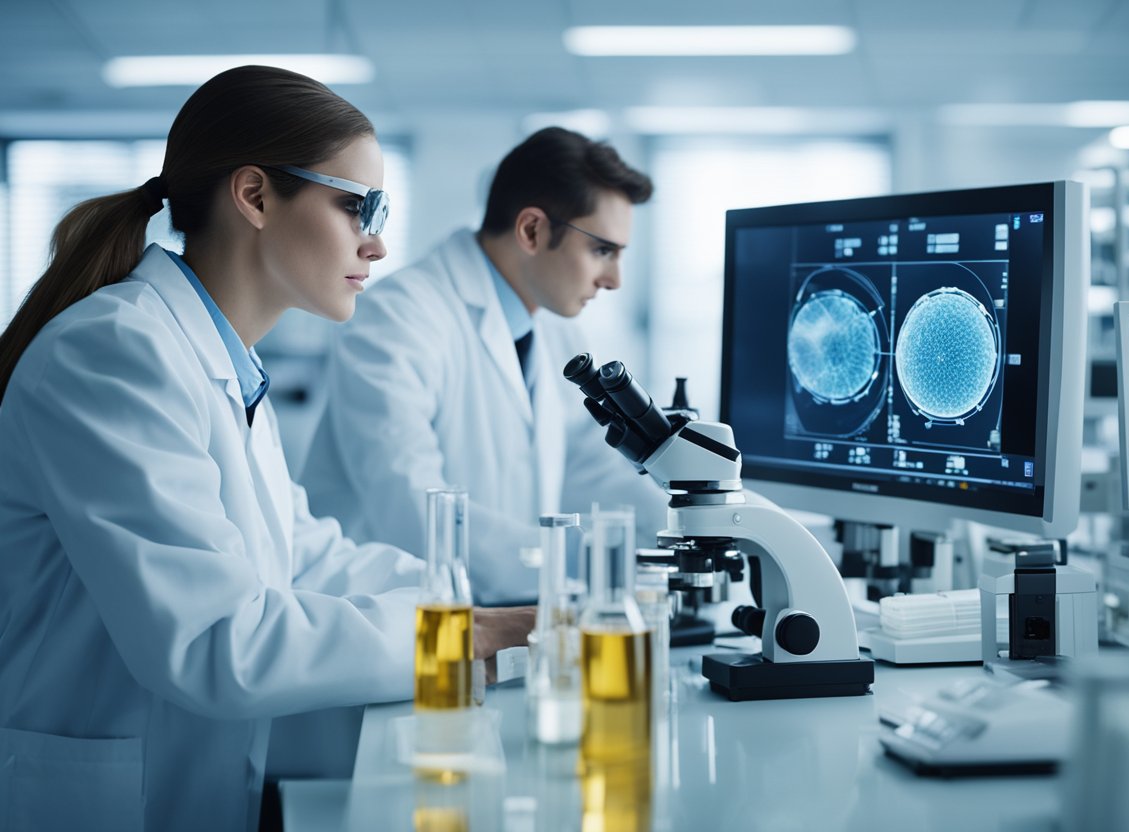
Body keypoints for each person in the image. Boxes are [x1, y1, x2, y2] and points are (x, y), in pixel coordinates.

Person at [0, 66, 531, 832]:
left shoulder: (221, 361)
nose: (376, 245)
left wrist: (478, 605)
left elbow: (303, 556)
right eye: (359, 207)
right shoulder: (113, 351)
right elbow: (217, 642)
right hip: (90, 801)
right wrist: (459, 636)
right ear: (253, 196)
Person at [302, 127, 667, 605]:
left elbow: (590, 464)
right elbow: (415, 507)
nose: (615, 280)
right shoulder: (399, 316)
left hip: (499, 613)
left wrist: (689, 523)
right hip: (386, 618)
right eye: (602, 250)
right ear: (532, 230)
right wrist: (579, 563)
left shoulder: (556, 330)